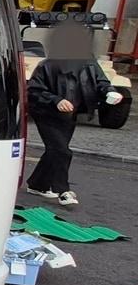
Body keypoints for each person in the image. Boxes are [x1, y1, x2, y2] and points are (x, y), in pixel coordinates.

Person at [25, 22, 125, 206]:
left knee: (55, 151)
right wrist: (56, 100)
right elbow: (34, 90)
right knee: (62, 151)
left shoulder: (89, 64)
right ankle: (62, 191)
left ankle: (37, 184)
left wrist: (110, 92)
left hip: (70, 114)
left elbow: (101, 82)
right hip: (46, 114)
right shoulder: (46, 66)